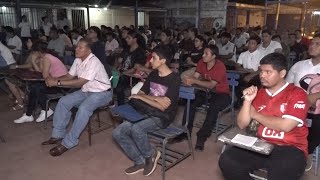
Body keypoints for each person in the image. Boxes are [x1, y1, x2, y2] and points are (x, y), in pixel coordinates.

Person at [219, 53, 309, 180]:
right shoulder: (259, 93)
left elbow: (286, 125)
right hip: (262, 144)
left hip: (291, 147)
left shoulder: (297, 94)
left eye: (268, 72)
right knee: (228, 160)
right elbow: (242, 124)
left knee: (282, 170)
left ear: (282, 73)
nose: (262, 75)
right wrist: (248, 101)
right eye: (261, 71)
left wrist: (255, 114)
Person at [112, 45, 180, 176]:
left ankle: (151, 154)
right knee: (117, 132)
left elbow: (163, 107)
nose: (150, 61)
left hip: (162, 116)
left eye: (153, 58)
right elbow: (142, 92)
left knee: (137, 129)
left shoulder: (175, 79)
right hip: (146, 110)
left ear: (163, 61)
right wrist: (155, 99)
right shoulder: (154, 74)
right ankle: (140, 161)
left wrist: (143, 97)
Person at [41, 38, 113, 156]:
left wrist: (57, 83)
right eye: (76, 47)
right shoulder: (78, 60)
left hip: (102, 93)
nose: (76, 49)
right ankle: (58, 134)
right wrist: (55, 79)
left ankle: (69, 142)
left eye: (80, 47)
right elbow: (69, 76)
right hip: (87, 91)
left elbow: (80, 82)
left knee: (84, 109)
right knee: (63, 101)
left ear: (89, 50)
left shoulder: (93, 62)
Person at [178, 45, 231, 151]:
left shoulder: (220, 66)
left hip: (222, 94)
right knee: (191, 102)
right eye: (203, 53)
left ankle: (202, 137)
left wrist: (194, 81)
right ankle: (185, 132)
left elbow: (212, 85)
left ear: (213, 56)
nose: (203, 55)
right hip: (205, 91)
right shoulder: (202, 63)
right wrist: (188, 81)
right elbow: (196, 77)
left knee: (213, 108)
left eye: (206, 54)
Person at [286, 33, 320, 171]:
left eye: (318, 44)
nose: (312, 46)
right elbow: (287, 86)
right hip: (297, 107)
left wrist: (316, 95)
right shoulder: (299, 65)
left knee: (315, 127)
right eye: (312, 43)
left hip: (316, 111)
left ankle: (308, 153)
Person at [13, 42, 68, 123]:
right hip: (56, 81)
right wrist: (34, 62)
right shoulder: (45, 57)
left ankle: (40, 111)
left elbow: (44, 75)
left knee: (36, 88)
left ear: (38, 51)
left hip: (62, 85)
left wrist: (34, 62)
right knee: (35, 88)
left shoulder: (46, 58)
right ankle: (30, 114)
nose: (32, 54)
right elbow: (41, 71)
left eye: (33, 52)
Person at [114, 30, 146, 105]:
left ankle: (121, 106)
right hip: (122, 73)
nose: (126, 39)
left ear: (135, 39)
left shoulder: (140, 52)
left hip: (133, 76)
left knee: (120, 84)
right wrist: (117, 68)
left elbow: (135, 68)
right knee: (110, 77)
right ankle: (113, 101)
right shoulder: (126, 49)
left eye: (129, 38)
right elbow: (120, 61)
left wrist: (123, 73)